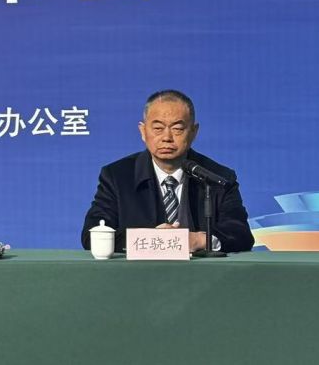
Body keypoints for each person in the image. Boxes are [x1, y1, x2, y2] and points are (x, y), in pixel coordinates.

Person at [81, 90, 254, 253]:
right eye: (158, 128)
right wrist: (151, 240)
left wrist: (200, 240)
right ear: (143, 131)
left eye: (177, 129)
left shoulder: (218, 177)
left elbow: (241, 234)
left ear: (194, 132)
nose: (166, 138)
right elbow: (91, 235)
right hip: (138, 273)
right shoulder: (117, 176)